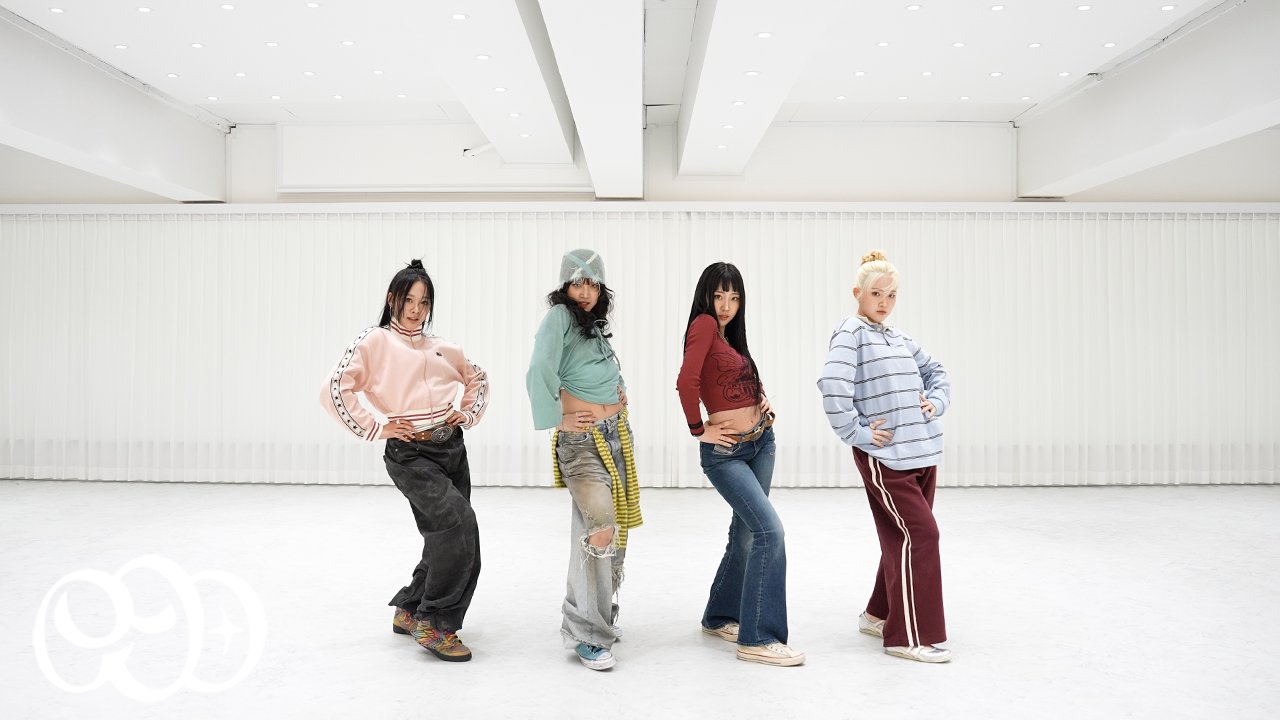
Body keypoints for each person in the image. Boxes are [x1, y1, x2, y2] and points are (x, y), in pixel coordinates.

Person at [320, 260, 489, 662]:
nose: (416, 309)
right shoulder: (375, 341)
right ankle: (435, 623)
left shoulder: (442, 346)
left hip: (451, 448)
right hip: (410, 453)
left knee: (444, 534)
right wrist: (376, 428)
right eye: (409, 300)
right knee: (459, 526)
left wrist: (465, 415)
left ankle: (411, 608)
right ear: (392, 299)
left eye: (424, 302)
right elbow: (334, 389)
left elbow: (477, 378)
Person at [817, 250, 952, 663]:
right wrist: (858, 434)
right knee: (922, 536)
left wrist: (935, 402)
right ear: (857, 292)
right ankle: (907, 636)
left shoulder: (898, 337)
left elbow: (937, 372)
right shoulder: (851, 332)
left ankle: (878, 614)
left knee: (902, 537)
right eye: (876, 293)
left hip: (922, 452)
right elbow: (832, 384)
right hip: (887, 456)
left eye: (891, 295)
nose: (884, 302)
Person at [676, 262, 805, 667]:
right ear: (706, 296)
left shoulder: (728, 335)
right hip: (727, 452)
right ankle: (758, 638)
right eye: (719, 296)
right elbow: (686, 381)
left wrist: (762, 398)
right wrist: (698, 430)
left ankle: (720, 616)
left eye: (734, 298)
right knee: (770, 532)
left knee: (747, 534)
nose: (726, 305)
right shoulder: (702, 325)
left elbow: (739, 376)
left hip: (761, 441)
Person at [526, 248, 642, 672]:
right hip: (582, 442)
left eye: (592, 283)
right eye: (578, 283)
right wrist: (557, 418)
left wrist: (619, 391)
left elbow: (599, 368)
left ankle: (599, 615)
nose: (586, 291)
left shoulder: (590, 325)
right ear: (565, 287)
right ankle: (587, 633)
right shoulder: (559, 317)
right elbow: (538, 369)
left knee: (613, 527)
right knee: (600, 527)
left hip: (614, 435)